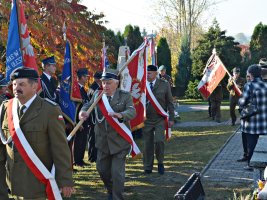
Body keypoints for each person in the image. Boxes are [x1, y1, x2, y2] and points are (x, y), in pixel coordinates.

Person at [0, 67, 74, 199]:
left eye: (22, 84)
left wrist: (65, 181)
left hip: (36, 182)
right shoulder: (6, 108)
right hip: (11, 181)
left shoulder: (49, 111)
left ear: (34, 86)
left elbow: (60, 149)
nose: (16, 88)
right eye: (15, 84)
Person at [79, 68, 136, 200]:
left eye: (109, 83)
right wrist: (83, 111)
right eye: (103, 82)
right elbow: (88, 105)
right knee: (102, 170)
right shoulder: (98, 95)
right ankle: (111, 190)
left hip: (119, 142)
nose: (105, 86)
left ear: (116, 83)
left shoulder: (124, 96)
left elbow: (132, 111)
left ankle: (117, 197)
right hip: (102, 142)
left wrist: (120, 115)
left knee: (117, 174)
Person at [143, 65, 175, 175]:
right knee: (147, 144)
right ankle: (148, 166)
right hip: (146, 119)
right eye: (146, 73)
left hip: (160, 118)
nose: (147, 75)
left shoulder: (164, 84)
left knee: (159, 141)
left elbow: (170, 102)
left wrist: (171, 118)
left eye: (150, 73)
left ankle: (160, 163)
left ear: (156, 73)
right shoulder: (142, 84)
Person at [238, 64, 267, 171]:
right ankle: (263, 164)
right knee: (263, 146)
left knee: (252, 145)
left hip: (251, 123)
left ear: (250, 74)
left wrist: (239, 100)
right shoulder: (266, 85)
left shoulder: (249, 85)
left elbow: (242, 102)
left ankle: (251, 165)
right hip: (264, 122)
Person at [73, 68, 90, 167]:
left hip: (84, 120)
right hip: (78, 120)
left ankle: (80, 159)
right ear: (79, 77)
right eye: (84, 76)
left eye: (87, 76)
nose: (86, 78)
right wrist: (76, 122)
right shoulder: (76, 90)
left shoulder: (83, 89)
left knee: (83, 141)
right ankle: (76, 160)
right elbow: (75, 107)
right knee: (78, 141)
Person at [87, 71, 102, 163]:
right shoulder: (93, 87)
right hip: (93, 114)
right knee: (92, 136)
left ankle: (96, 155)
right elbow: (90, 100)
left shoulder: (99, 86)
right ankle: (92, 156)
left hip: (98, 115)